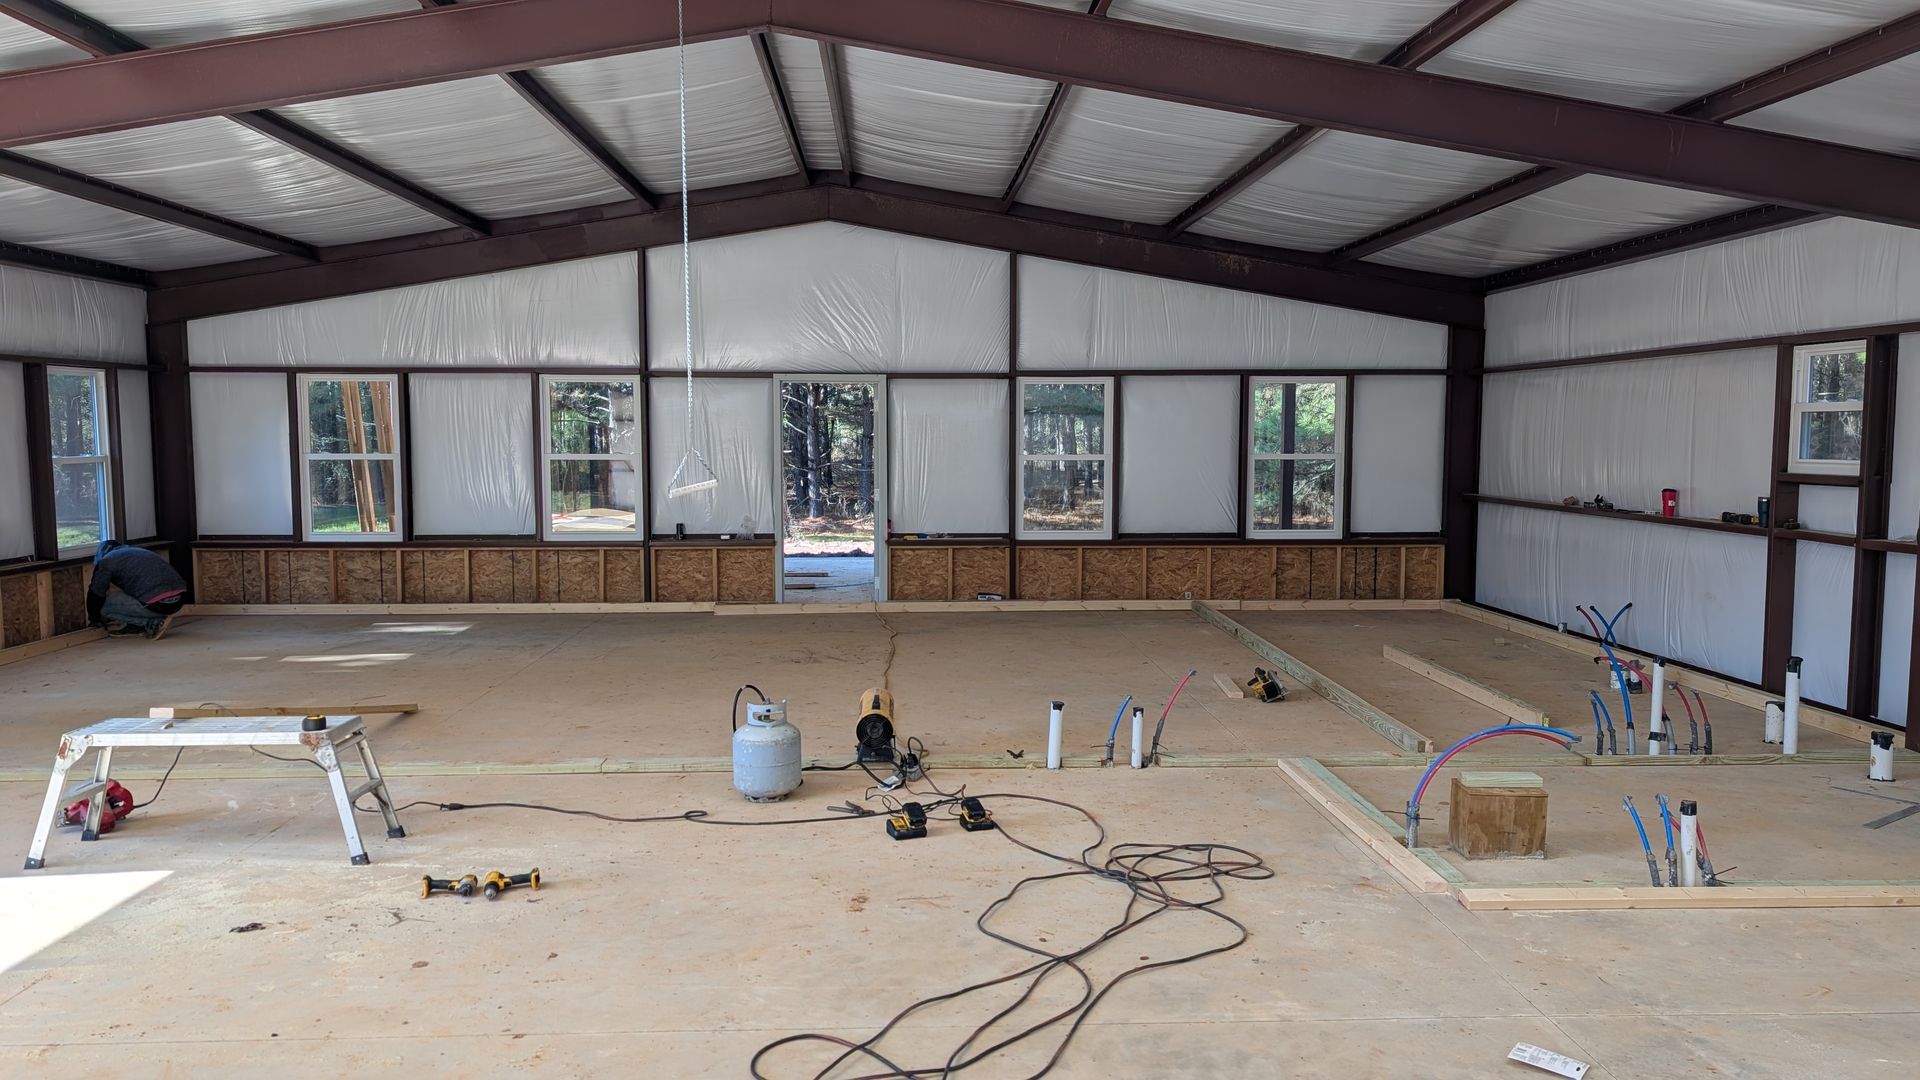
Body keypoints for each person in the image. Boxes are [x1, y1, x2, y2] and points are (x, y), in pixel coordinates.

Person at [87, 541, 187, 640]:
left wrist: (94, 619)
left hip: (157, 604)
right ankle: (136, 626)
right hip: (178, 602)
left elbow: (96, 593)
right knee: (132, 593)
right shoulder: (138, 552)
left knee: (104, 607)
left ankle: (152, 623)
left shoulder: (107, 560)